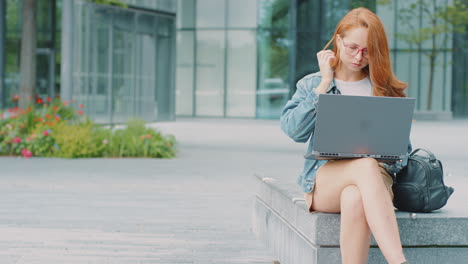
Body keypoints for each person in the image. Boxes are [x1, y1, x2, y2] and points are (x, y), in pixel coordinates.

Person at [280, 7, 412, 264]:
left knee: (354, 195)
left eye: (367, 51)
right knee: (364, 166)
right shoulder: (313, 83)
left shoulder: (384, 88)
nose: (358, 56)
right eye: (352, 47)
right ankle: (399, 261)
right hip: (326, 179)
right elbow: (293, 131)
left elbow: (402, 154)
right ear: (338, 41)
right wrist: (323, 86)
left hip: (376, 180)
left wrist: (383, 154)